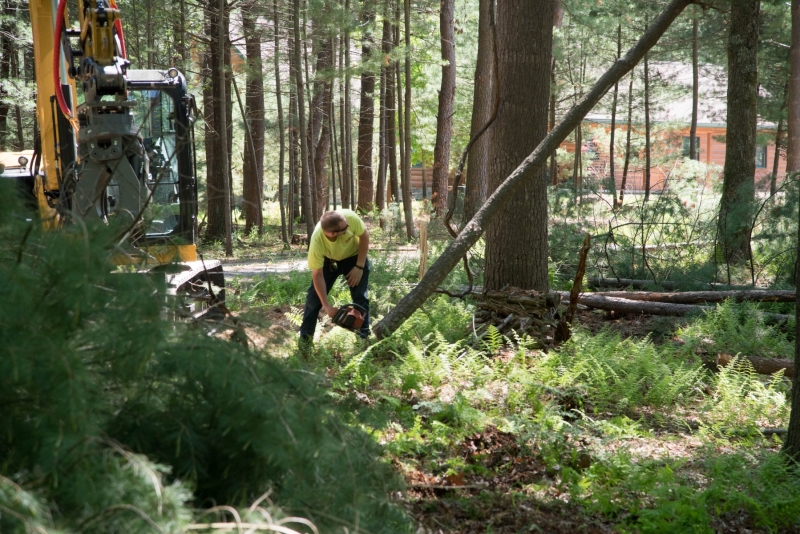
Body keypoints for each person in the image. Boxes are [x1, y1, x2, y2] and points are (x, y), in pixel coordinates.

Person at [299, 209, 370, 343]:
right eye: (345, 228)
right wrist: (327, 307)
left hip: (355, 258)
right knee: (313, 300)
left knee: (360, 297)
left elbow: (364, 235)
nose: (348, 226)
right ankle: (305, 343)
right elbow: (318, 274)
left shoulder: (350, 218)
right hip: (329, 260)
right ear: (333, 233)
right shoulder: (317, 241)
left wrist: (359, 266)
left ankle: (364, 340)